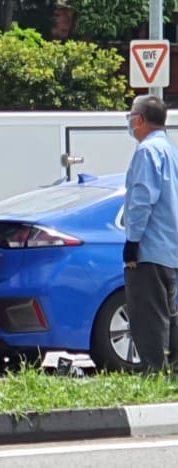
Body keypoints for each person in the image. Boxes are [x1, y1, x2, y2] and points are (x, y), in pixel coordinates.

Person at [123, 94, 178, 372]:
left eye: (131, 115)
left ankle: (153, 372)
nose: (129, 121)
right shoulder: (171, 150)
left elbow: (142, 198)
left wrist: (132, 242)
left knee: (148, 316)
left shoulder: (147, 152)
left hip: (150, 247)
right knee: (170, 314)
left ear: (140, 119)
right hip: (170, 248)